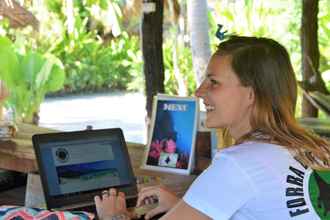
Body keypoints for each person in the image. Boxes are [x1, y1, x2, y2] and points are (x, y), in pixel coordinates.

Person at [94, 36, 330, 220]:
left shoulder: (238, 163)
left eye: (213, 82)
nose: (199, 92)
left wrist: (113, 214)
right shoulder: (318, 148)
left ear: (251, 94)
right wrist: (187, 206)